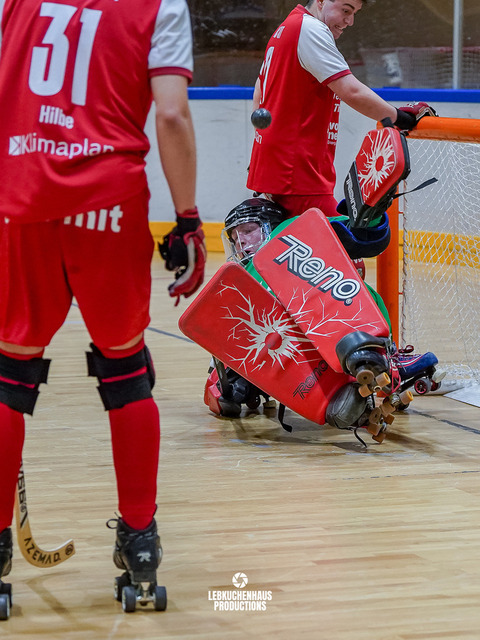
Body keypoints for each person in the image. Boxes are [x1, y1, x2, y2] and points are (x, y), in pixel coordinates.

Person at [0, 0, 205, 616]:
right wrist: (188, 219)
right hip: (110, 204)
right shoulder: (160, 6)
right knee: (126, 371)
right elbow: (171, 113)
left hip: (23, 196)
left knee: (10, 374)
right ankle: (140, 545)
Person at [204, 198, 443, 426]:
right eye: (234, 237)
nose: (241, 242)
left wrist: (371, 213)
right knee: (227, 386)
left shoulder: (288, 232)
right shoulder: (238, 278)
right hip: (285, 356)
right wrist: (224, 383)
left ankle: (377, 357)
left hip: (320, 338)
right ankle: (370, 367)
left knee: (349, 286)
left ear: (270, 226)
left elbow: (356, 233)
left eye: (247, 231)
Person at [247, 0, 436, 219]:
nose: (350, 21)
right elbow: (351, 91)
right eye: (346, 10)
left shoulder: (287, 27)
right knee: (347, 240)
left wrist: (265, 153)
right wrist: (401, 118)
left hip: (280, 169)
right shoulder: (310, 29)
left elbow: (259, 90)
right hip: (297, 174)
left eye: (354, 13)